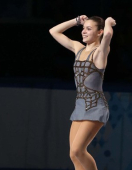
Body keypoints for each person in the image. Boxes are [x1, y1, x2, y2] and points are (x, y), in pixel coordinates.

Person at [49, 15, 116, 170]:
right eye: (83, 29)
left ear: (99, 32)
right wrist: (76, 21)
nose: (83, 32)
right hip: (80, 106)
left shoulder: (100, 53)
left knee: (77, 150)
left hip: (95, 106)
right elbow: (54, 31)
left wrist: (107, 23)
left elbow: (107, 34)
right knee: (73, 154)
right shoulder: (78, 49)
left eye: (89, 29)